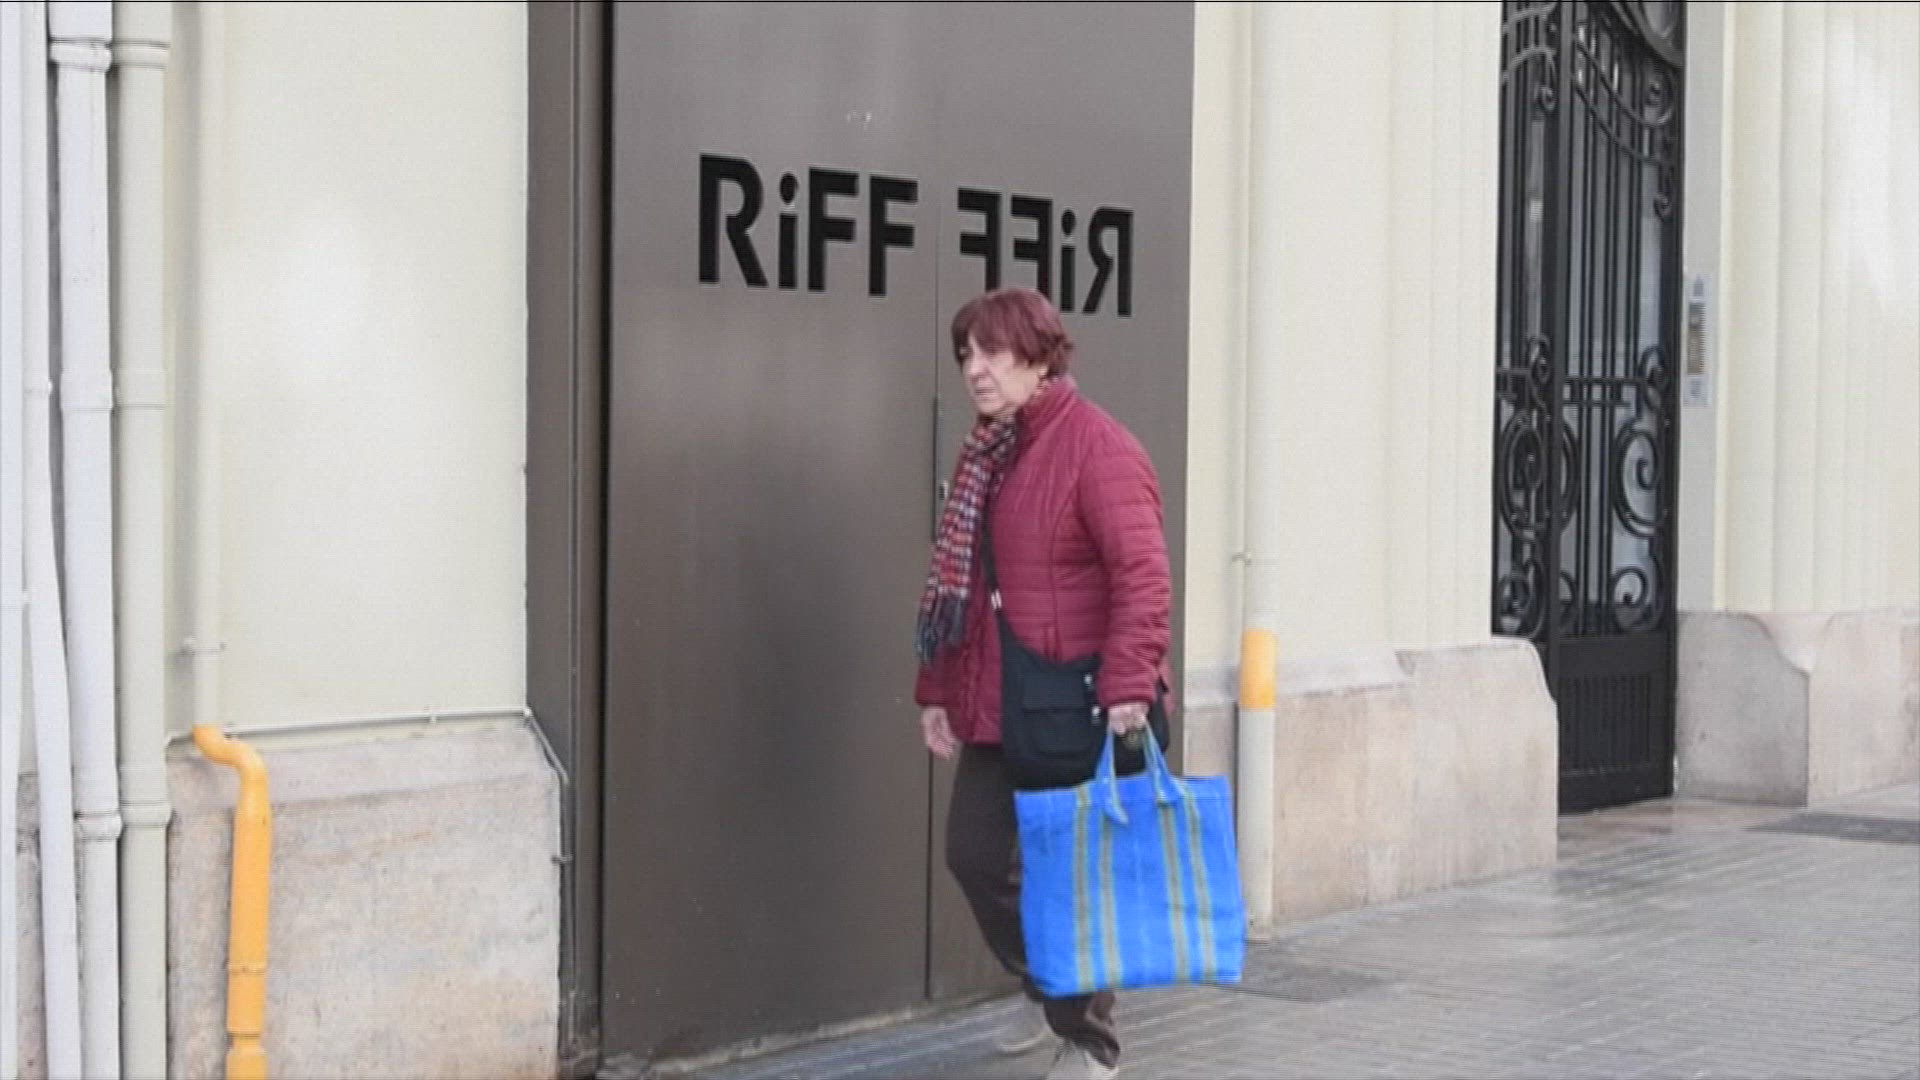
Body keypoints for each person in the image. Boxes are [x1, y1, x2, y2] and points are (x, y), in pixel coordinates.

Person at [914, 286, 1172, 1080]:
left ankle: (1090, 1044)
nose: (975, 370)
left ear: (1038, 354)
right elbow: (960, 590)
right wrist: (938, 689)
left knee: (1069, 877)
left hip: (1077, 703)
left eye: (992, 352)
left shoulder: (1096, 447)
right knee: (975, 856)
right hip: (1001, 702)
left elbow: (1143, 574)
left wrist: (1128, 682)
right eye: (966, 355)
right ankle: (1050, 986)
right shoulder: (990, 454)